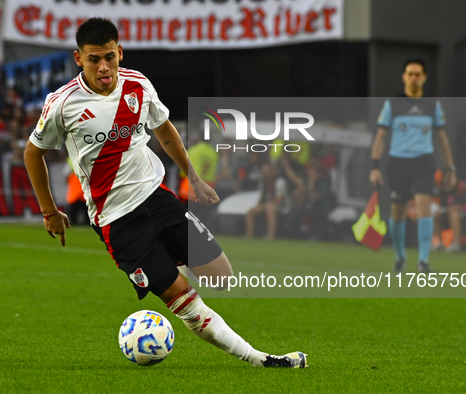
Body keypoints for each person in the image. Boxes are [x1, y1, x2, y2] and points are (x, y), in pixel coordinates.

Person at [24, 17, 306, 368]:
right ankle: (258, 359)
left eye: (109, 57)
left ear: (120, 52)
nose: (103, 67)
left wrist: (194, 177)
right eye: (94, 59)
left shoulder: (138, 85)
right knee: (182, 298)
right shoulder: (62, 103)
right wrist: (49, 210)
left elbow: (165, 130)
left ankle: (164, 265)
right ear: (78, 59)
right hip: (117, 220)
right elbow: (33, 153)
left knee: (221, 275)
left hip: (157, 199)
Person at [370, 59, 457, 272]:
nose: (414, 78)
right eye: (410, 74)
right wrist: (375, 166)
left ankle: (423, 261)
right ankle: (400, 257)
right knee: (398, 213)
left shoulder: (432, 105)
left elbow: (442, 138)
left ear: (425, 77)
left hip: (423, 162)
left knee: (423, 209)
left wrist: (450, 168)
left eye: (418, 74)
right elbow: (381, 136)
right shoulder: (393, 104)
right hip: (398, 162)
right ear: (404, 77)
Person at [246, 161, 290, 240]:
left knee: (271, 210)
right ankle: (250, 236)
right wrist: (259, 207)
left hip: (283, 207)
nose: (266, 175)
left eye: (268, 172)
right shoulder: (263, 182)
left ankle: (271, 236)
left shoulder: (279, 182)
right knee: (250, 211)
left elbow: (279, 199)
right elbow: (261, 197)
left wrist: (264, 207)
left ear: (274, 172)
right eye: (265, 172)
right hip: (268, 205)